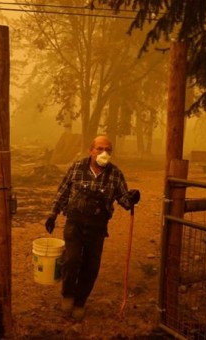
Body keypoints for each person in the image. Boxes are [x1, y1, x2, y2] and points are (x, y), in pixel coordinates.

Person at [44, 135, 140, 321]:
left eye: (108, 150)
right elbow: (62, 192)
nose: (104, 153)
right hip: (74, 223)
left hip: (97, 228)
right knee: (71, 260)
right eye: (100, 149)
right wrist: (52, 214)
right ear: (91, 150)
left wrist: (132, 197)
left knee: (91, 266)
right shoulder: (76, 168)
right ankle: (68, 294)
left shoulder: (115, 174)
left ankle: (80, 301)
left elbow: (125, 201)